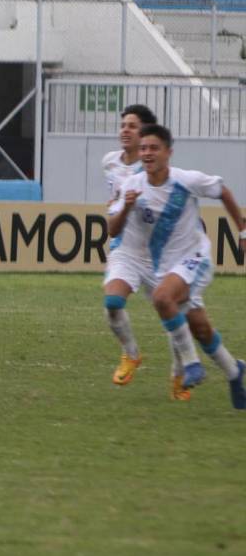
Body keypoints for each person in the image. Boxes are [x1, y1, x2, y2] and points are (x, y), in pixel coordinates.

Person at [108, 124, 246, 409]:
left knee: (161, 298)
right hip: (167, 267)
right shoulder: (133, 186)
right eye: (144, 148)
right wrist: (125, 208)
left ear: (168, 152)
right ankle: (235, 372)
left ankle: (191, 365)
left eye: (153, 148)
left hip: (195, 257)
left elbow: (223, 192)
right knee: (200, 329)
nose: (147, 153)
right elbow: (112, 230)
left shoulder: (186, 180)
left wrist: (242, 231)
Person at [99, 104, 157, 389]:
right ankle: (131, 354)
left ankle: (183, 370)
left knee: (176, 313)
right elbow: (115, 191)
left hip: (158, 250)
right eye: (123, 125)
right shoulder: (110, 161)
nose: (125, 130)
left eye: (132, 126)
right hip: (124, 243)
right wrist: (116, 203)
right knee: (112, 303)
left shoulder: (151, 165)